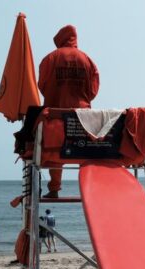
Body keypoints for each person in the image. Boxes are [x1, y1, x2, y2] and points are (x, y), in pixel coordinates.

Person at [38, 25, 100, 198]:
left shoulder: (50, 58)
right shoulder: (87, 59)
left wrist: (54, 94)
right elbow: (94, 89)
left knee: (52, 151)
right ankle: (89, 191)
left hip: (55, 115)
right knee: (84, 153)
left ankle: (54, 189)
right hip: (82, 117)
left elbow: (41, 85)